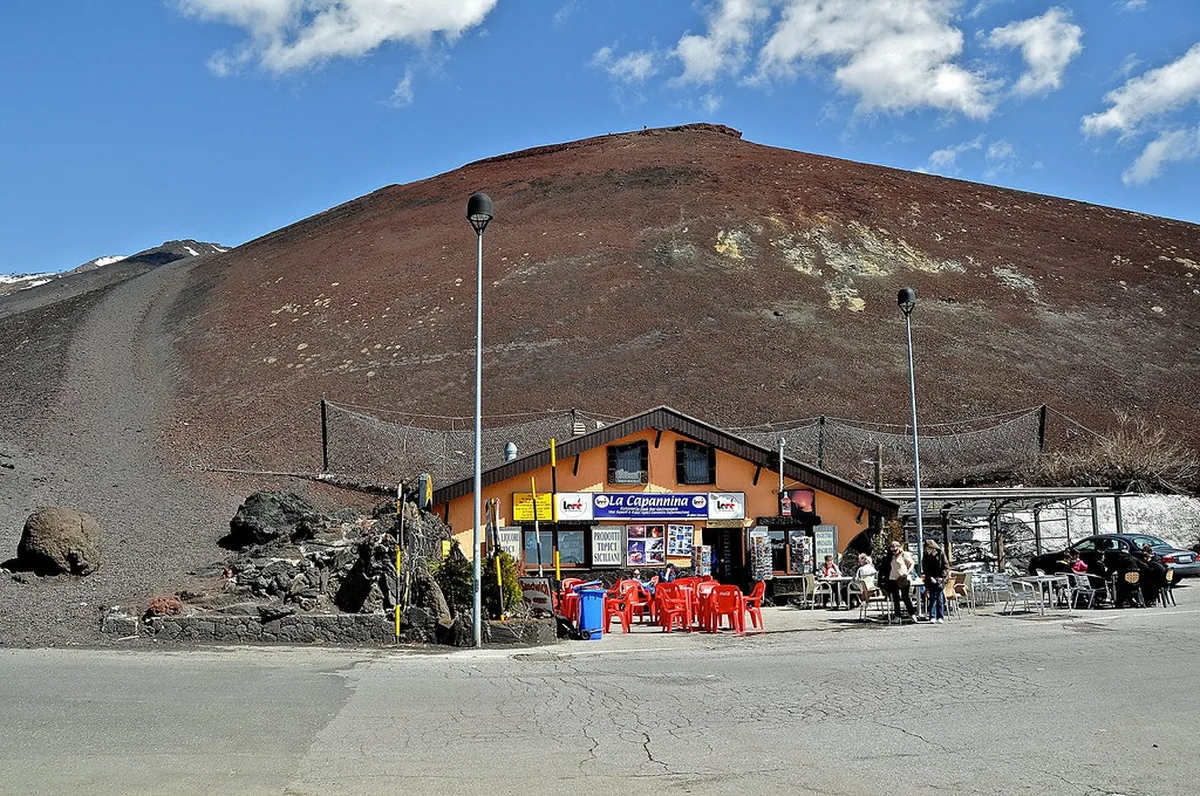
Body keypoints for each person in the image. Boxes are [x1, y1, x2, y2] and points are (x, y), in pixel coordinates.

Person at [886, 541, 918, 622]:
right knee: (896, 598)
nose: (894, 551)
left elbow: (912, 563)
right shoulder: (891, 556)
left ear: (899, 548)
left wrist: (907, 572)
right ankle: (897, 616)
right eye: (892, 550)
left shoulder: (904, 554)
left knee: (905, 597)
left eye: (895, 549)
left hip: (903, 578)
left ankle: (912, 614)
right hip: (893, 578)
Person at [922, 540, 949, 624]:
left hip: (940, 578)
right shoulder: (926, 555)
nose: (927, 549)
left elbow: (945, 566)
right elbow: (925, 568)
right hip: (930, 579)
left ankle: (940, 616)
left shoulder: (940, 553)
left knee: (940, 598)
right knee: (932, 598)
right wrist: (930, 577)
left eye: (928, 548)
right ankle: (932, 616)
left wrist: (942, 577)